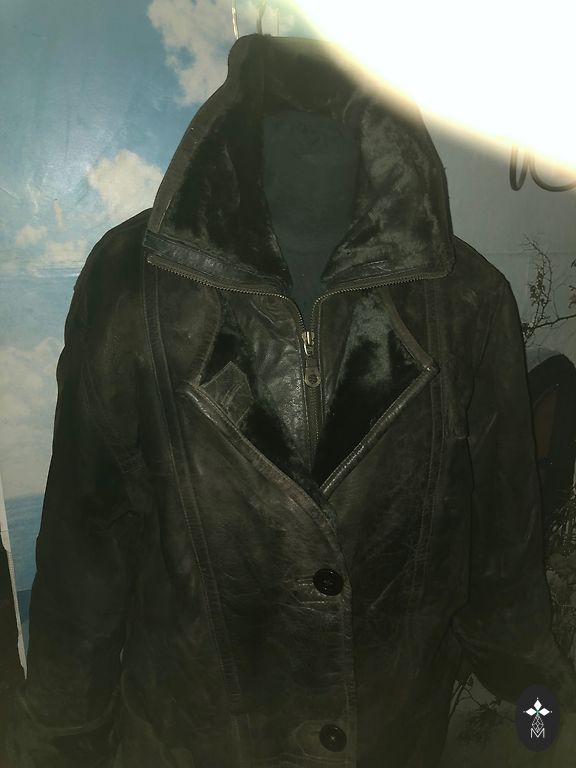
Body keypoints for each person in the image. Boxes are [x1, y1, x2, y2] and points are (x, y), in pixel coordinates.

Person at [5, 33, 576, 768]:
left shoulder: (466, 300)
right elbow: (84, 552)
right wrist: (59, 744)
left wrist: (542, 726)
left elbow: (504, 567)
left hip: (397, 739)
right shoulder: (130, 284)